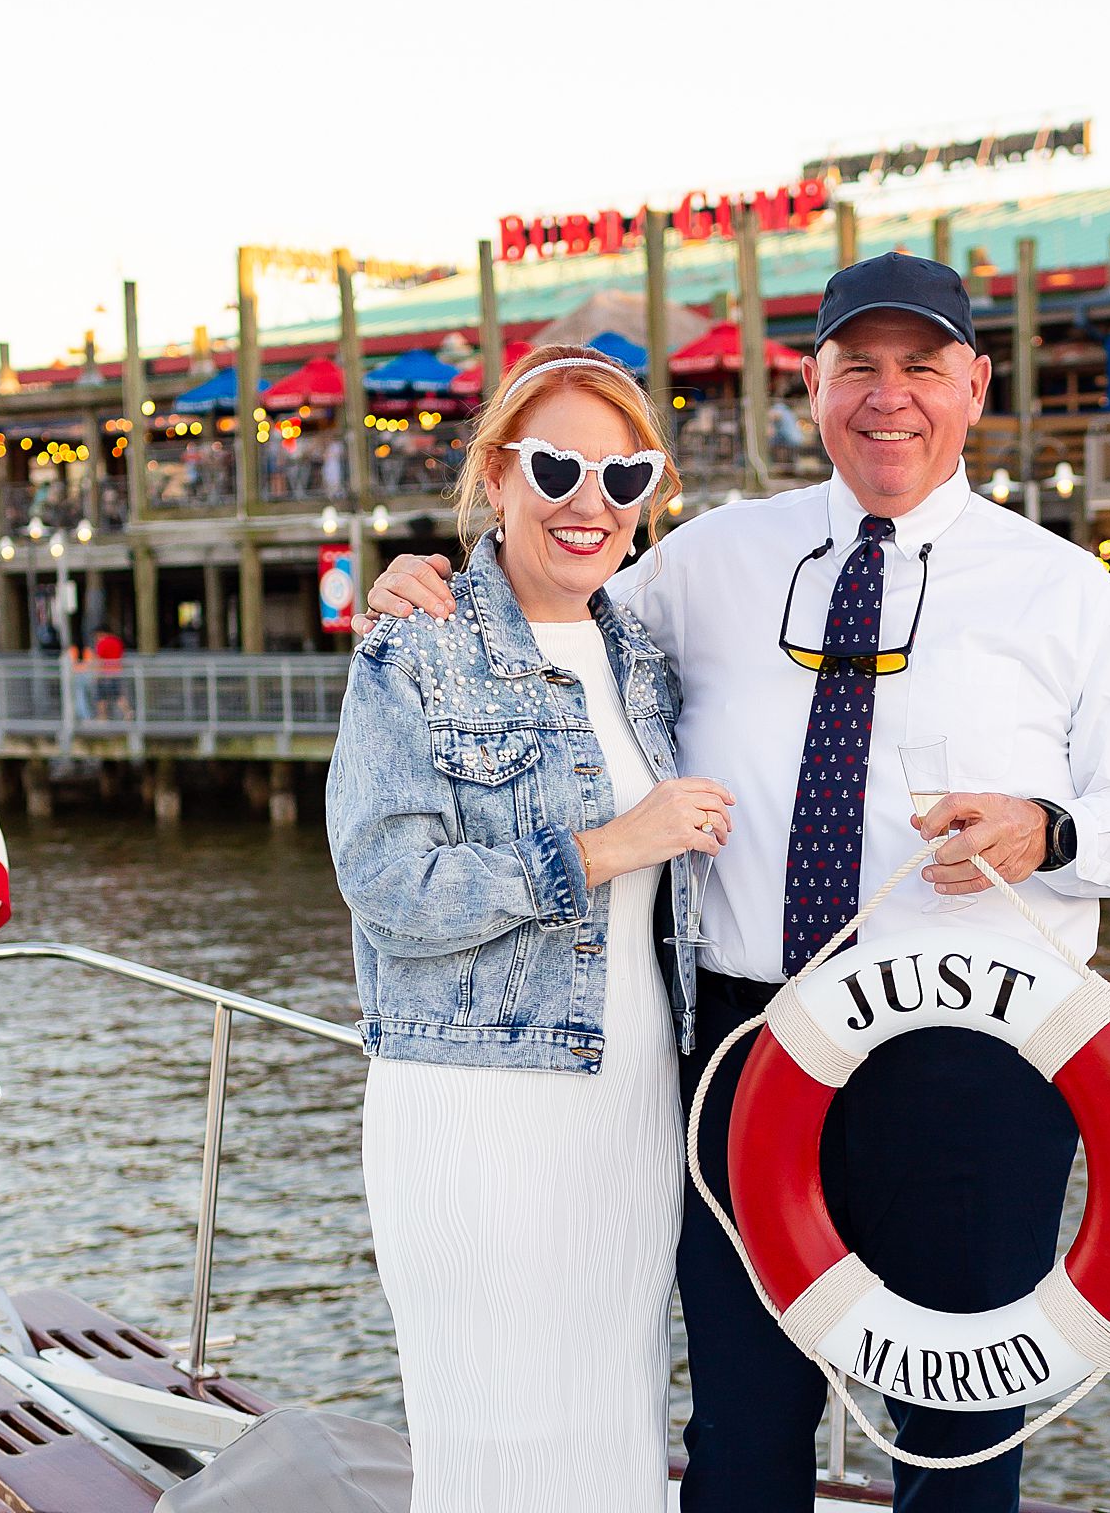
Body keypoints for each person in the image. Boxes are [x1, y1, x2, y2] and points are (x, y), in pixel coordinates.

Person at [364, 257, 1110, 1512]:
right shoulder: (710, 558)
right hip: (748, 1042)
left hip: (968, 1060)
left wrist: (1046, 827)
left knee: (960, 1444)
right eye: (855, 367)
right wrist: (427, 583)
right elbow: (552, 597)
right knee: (744, 1431)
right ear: (808, 385)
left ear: (972, 384)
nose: (888, 398)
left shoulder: (1062, 590)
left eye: (920, 367)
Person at [326, 345, 735, 1513]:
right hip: (476, 1103)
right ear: (496, 473)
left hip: (629, 1100)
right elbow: (388, 888)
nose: (587, 502)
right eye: (556, 466)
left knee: (613, 1423)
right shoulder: (417, 647)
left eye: (625, 475)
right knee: (492, 1438)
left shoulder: (642, 655)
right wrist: (612, 845)